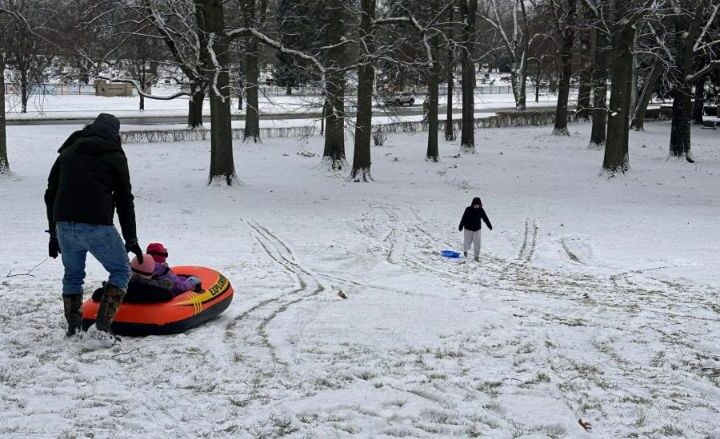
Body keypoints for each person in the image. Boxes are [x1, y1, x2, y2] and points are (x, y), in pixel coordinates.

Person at [44, 113, 143, 338]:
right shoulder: (115, 156)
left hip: (65, 225)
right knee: (120, 270)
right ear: (114, 134)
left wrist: (53, 233)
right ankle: (102, 329)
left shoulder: (67, 153)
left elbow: (50, 193)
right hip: (97, 225)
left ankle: (74, 328)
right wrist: (132, 240)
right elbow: (124, 200)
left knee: (72, 275)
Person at [458, 197, 493, 261]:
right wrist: (461, 226)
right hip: (468, 229)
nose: (476, 206)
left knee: (477, 243)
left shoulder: (481, 210)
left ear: (480, 204)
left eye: (478, 204)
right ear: (473, 204)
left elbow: (485, 218)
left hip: (477, 229)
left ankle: (476, 257)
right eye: (475, 204)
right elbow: (464, 218)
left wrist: (489, 225)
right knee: (467, 242)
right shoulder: (468, 209)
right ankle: (465, 250)